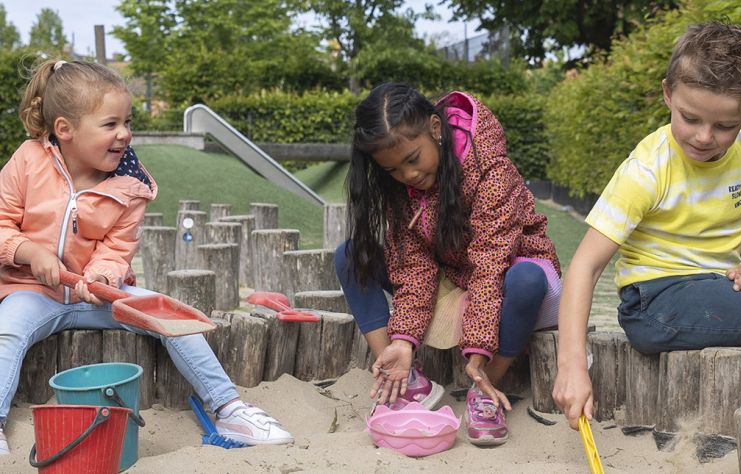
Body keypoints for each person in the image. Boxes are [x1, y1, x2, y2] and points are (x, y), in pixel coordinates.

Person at [0, 59, 292, 456]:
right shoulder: (27, 161)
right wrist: (28, 250)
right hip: (33, 292)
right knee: (8, 332)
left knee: (172, 318)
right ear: (65, 129)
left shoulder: (130, 185)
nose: (124, 134)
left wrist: (101, 278)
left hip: (99, 296)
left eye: (127, 121)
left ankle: (229, 407)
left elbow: (117, 249)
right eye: (110, 124)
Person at [553, 21, 741, 430]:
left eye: (725, 126)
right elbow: (585, 266)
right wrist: (572, 366)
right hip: (655, 302)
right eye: (690, 118)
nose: (704, 137)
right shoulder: (648, 170)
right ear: (668, 93)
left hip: (721, 287)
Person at [335, 83, 562, 445]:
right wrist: (404, 341)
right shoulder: (403, 186)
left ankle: (486, 387)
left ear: (436, 129)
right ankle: (403, 379)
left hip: (508, 274)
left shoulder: (490, 169)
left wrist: (476, 351)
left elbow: (490, 263)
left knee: (527, 279)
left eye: (412, 159)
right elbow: (414, 266)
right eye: (392, 170)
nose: (407, 175)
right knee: (350, 254)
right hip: (453, 277)